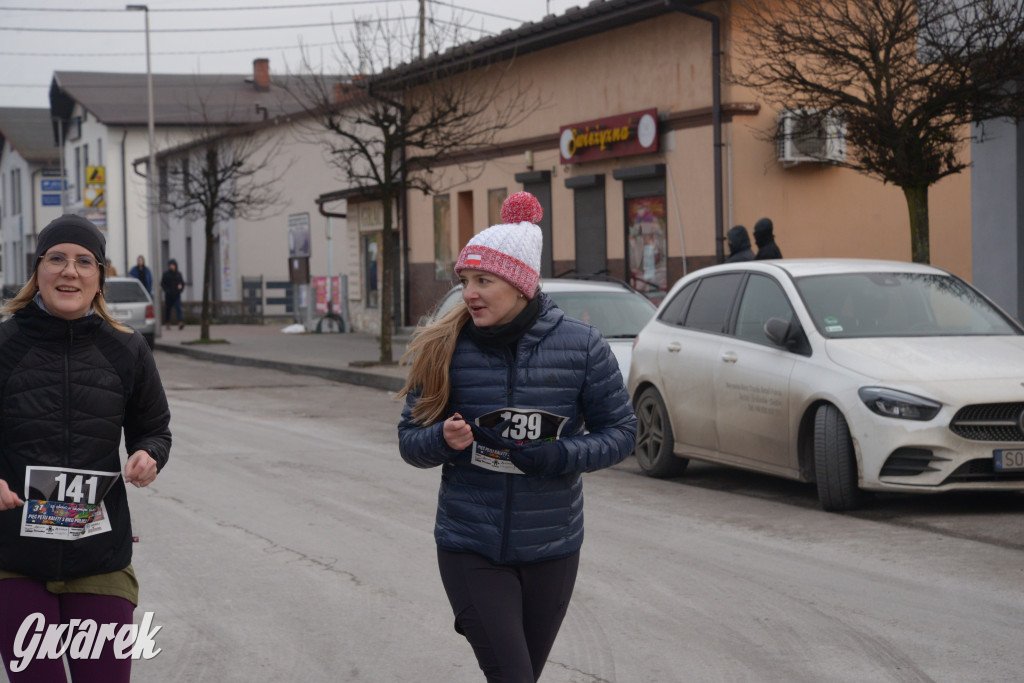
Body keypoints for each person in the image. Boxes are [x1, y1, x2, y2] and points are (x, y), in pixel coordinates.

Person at [397, 192, 637, 683]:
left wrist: (556, 455)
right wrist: (443, 439)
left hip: (552, 547)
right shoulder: (447, 348)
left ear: (521, 284)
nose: (470, 293)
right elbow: (409, 440)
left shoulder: (582, 347)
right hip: (470, 546)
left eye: (483, 281)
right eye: (466, 281)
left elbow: (622, 433)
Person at [0, 214, 171, 682]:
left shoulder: (127, 349)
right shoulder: (5, 345)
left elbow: (154, 429)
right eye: (56, 259)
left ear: (99, 277)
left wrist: (148, 455)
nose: (69, 271)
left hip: (99, 553)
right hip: (15, 556)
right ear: (38, 272)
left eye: (83, 261)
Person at [161, 258, 185, 329]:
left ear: (175, 266)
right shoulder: (166, 274)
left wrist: (180, 290)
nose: (171, 266)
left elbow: (182, 283)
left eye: (173, 265)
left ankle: (180, 322)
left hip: (176, 295)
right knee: (168, 310)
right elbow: (163, 284)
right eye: (170, 265)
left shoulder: (178, 274)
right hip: (168, 295)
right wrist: (166, 291)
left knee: (178, 308)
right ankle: (167, 323)